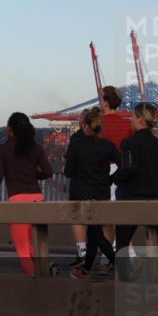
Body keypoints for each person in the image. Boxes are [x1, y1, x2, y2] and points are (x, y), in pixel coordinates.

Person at [0, 112, 54, 278]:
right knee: (36, 245)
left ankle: (36, 281)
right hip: (37, 198)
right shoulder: (36, 148)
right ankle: (45, 271)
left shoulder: (2, 149)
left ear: (9, 129)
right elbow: (48, 172)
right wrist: (33, 175)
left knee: (23, 248)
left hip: (17, 199)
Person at [111, 103, 158, 277]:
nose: (131, 120)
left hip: (132, 199)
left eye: (133, 117)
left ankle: (125, 277)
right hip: (157, 198)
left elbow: (129, 169)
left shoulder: (129, 143)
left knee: (122, 241)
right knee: (155, 242)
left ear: (141, 120)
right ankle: (157, 276)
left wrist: (112, 178)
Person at [65, 108, 119, 280]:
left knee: (94, 233)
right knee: (95, 232)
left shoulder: (76, 145)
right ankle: (86, 269)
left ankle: (116, 261)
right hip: (101, 193)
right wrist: (111, 179)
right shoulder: (108, 146)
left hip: (81, 194)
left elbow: (68, 171)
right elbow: (125, 165)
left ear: (86, 126)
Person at [99, 85, 132, 245]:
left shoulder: (98, 124)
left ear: (105, 102)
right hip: (123, 171)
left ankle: (110, 256)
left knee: (106, 216)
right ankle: (127, 252)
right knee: (119, 213)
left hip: (102, 171)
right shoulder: (127, 125)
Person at [65, 109, 90, 269]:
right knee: (102, 222)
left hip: (79, 185)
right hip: (99, 187)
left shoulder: (76, 138)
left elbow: (69, 169)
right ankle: (109, 256)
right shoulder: (101, 138)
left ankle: (82, 255)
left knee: (77, 219)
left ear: (82, 121)